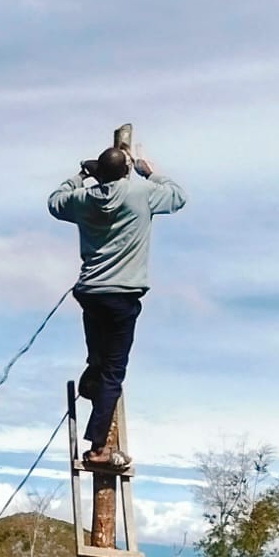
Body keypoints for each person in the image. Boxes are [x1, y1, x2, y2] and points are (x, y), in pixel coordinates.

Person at [48, 146, 186, 470]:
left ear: (100, 171)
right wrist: (149, 170)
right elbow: (177, 196)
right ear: (127, 169)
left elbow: (55, 202)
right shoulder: (142, 192)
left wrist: (82, 176)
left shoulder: (83, 199)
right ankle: (99, 450)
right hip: (122, 295)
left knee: (99, 355)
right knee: (114, 371)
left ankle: (91, 381)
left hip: (90, 291)